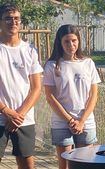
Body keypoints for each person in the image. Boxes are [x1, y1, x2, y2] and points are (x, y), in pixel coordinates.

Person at [43, 24, 101, 169]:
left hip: (85, 121)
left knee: (85, 164)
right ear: (60, 43)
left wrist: (81, 120)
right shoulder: (52, 66)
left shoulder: (87, 63)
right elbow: (50, 97)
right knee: (66, 165)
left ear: (79, 41)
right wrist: (70, 120)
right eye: (66, 41)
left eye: (74, 40)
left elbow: (93, 94)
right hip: (61, 122)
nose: (71, 45)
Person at [0, 3, 43, 169]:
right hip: (2, 116)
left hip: (23, 119)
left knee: (27, 165)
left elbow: (36, 88)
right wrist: (7, 111)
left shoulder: (30, 50)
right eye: (8, 19)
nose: (13, 22)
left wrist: (18, 115)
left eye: (16, 18)